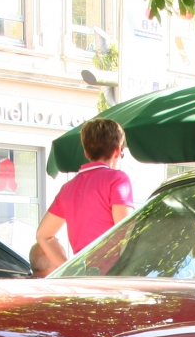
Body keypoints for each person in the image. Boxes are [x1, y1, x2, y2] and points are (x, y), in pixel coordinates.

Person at [30, 118, 133, 276]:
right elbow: (126, 230)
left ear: (86, 153)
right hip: (115, 277)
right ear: (118, 151)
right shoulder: (117, 179)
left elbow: (43, 235)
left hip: (86, 277)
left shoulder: (67, 189)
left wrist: (69, 270)